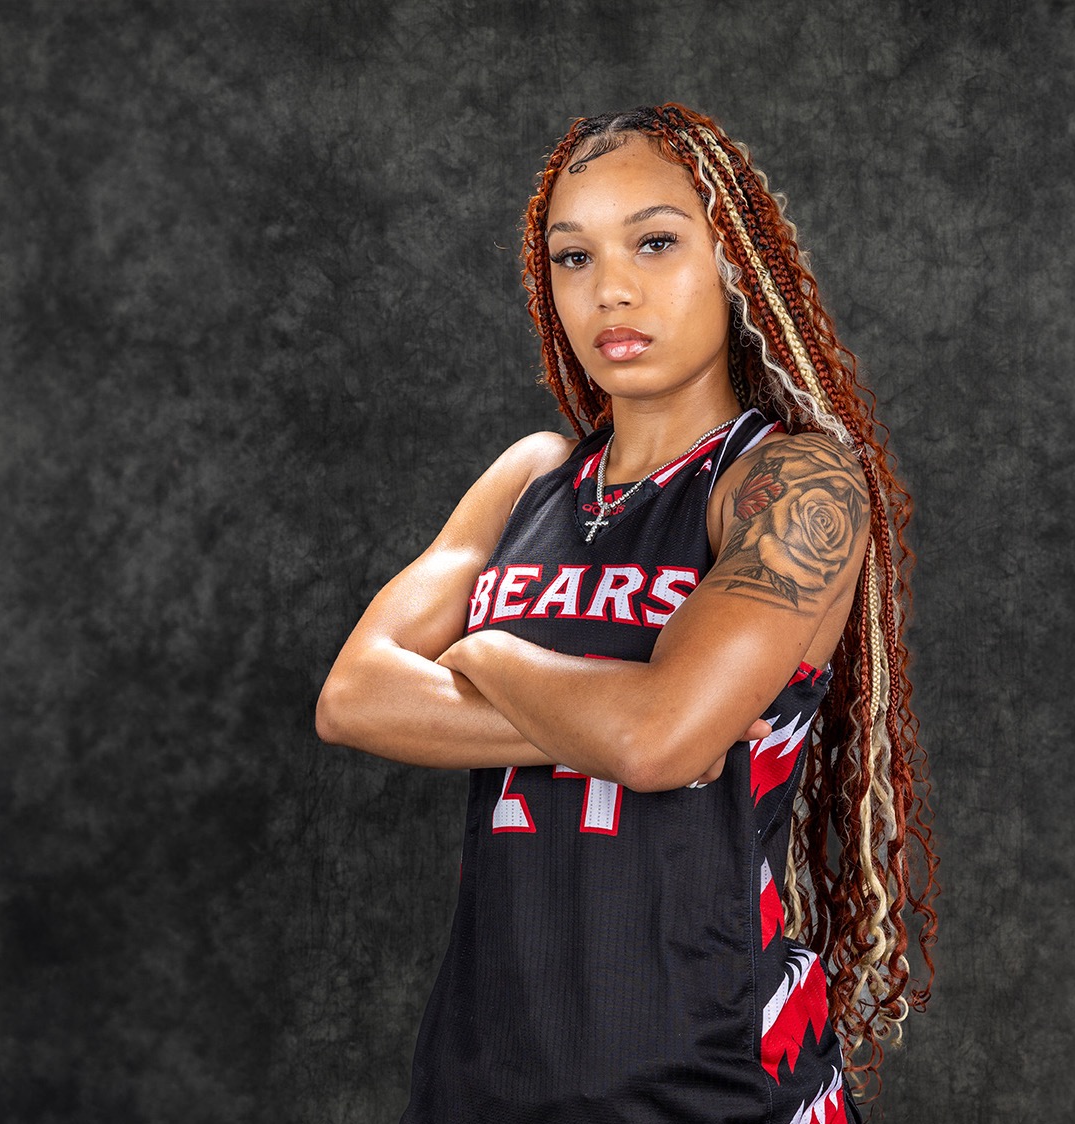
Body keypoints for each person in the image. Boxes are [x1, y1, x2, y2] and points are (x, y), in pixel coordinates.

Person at [317, 103, 939, 1123]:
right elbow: (352, 694)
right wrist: (618, 712)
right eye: (573, 257)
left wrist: (485, 649)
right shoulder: (527, 478)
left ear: (733, 258)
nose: (611, 287)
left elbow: (659, 742)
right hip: (484, 1076)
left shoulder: (787, 482)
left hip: (708, 1079)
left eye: (655, 241)